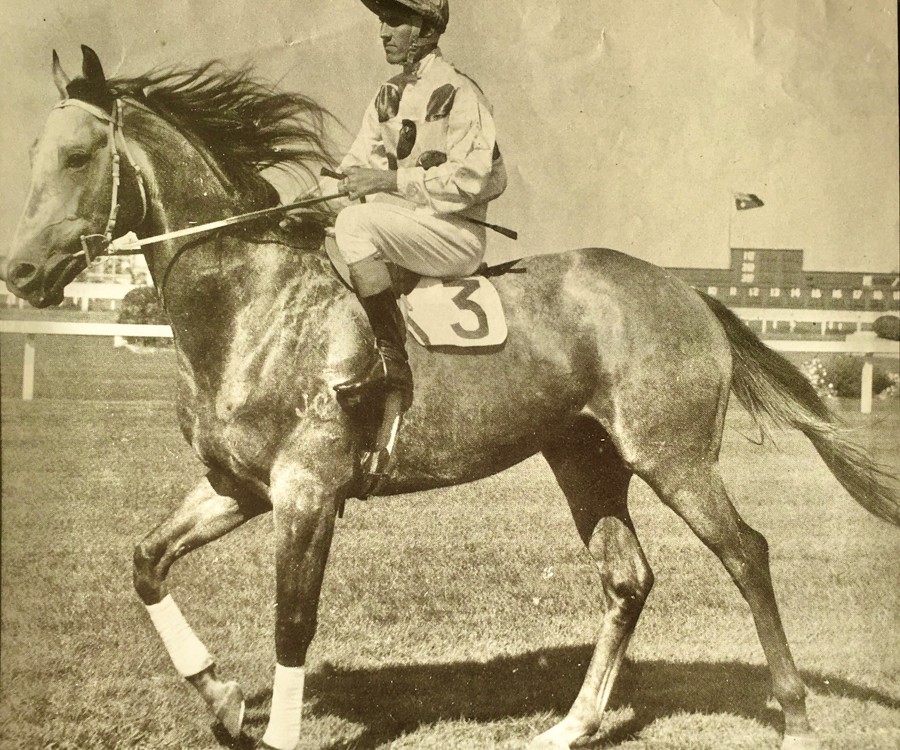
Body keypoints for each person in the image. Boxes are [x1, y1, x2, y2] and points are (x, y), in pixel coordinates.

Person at [328, 0, 508, 492]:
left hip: (454, 234)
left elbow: (476, 178)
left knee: (354, 225)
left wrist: (389, 180)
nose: (383, 32)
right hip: (405, 230)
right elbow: (354, 167)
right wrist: (310, 198)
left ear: (426, 29)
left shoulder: (461, 92)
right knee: (329, 228)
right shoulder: (387, 94)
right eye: (381, 21)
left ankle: (392, 364)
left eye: (394, 21)